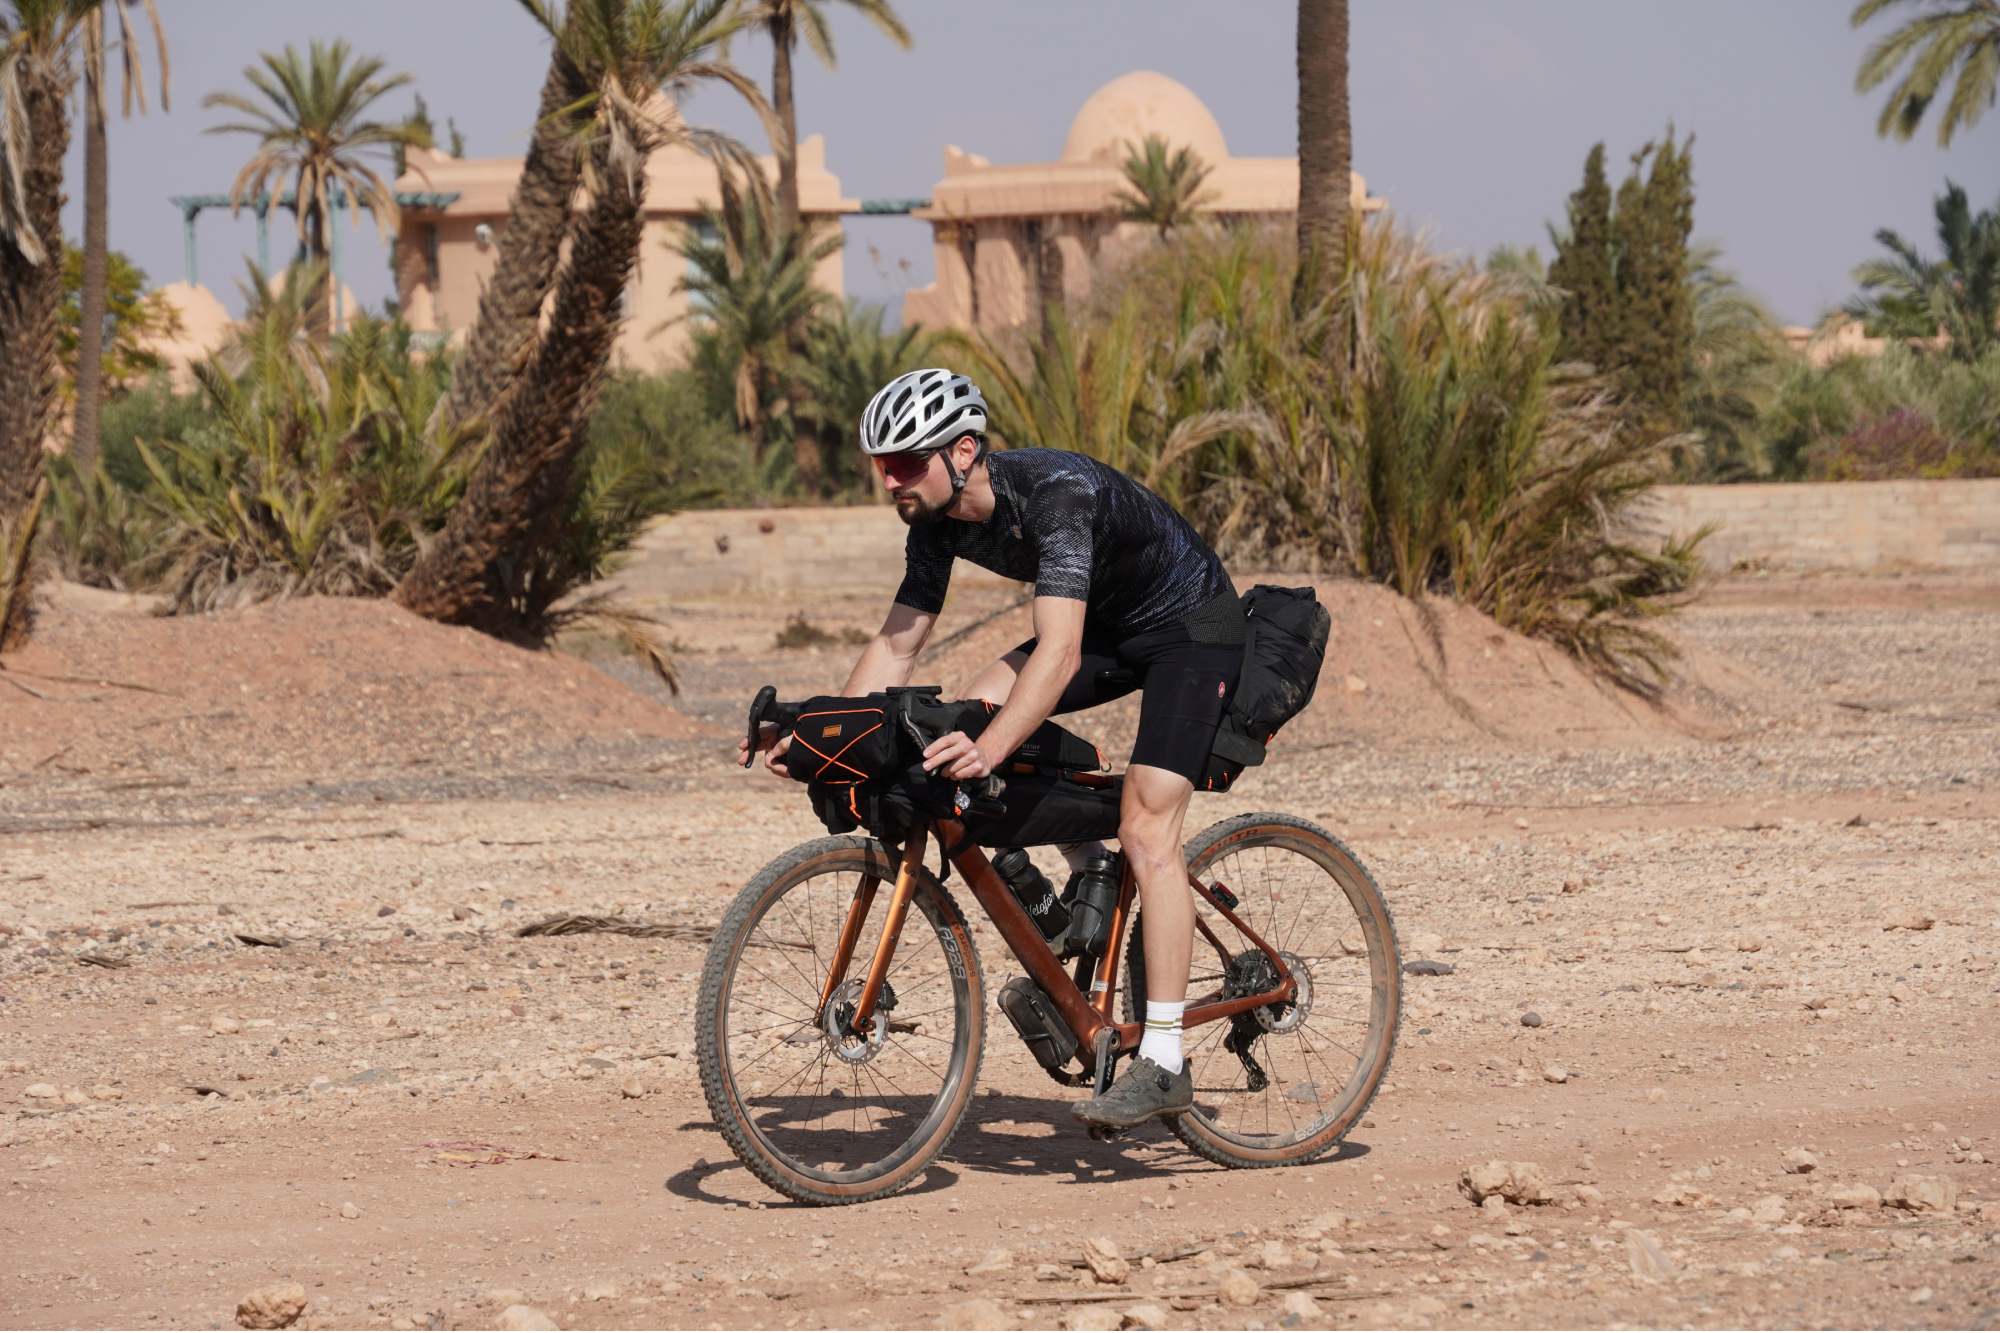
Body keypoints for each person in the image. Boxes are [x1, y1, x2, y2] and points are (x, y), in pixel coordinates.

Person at [742, 368, 1244, 1128]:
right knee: (962, 711)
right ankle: (1085, 871)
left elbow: (1061, 652)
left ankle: (1166, 1059)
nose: (888, 480)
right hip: (1113, 624)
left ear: (964, 451)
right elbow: (896, 645)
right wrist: (822, 736)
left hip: (1195, 624)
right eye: (879, 464)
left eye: (905, 462)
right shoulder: (935, 524)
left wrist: (994, 748)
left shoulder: (1057, 494)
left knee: (1146, 825)